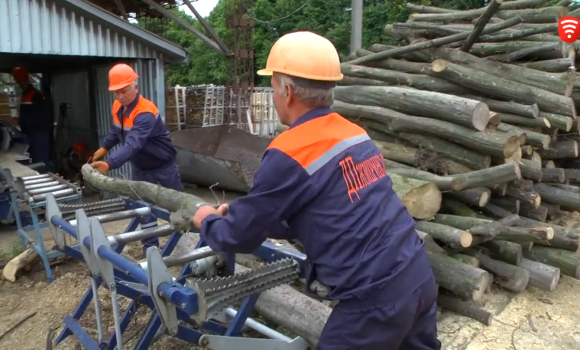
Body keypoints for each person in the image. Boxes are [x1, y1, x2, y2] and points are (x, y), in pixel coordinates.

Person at [189, 31, 440, 350]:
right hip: (418, 276)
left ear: (288, 90)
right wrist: (242, 214)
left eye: (273, 85)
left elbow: (240, 237)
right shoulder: (354, 134)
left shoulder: (289, 151)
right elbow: (328, 207)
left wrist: (208, 220)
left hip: (374, 301)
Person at [91, 63, 183, 256]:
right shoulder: (118, 106)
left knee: (178, 203)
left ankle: (186, 239)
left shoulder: (145, 112)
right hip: (140, 167)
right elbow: (116, 133)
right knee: (143, 208)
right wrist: (103, 148)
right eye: (116, 93)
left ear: (135, 87)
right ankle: (150, 246)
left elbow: (132, 145)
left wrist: (109, 163)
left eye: (123, 91)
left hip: (162, 164)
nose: (119, 97)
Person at [13, 67, 51, 165]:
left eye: (21, 81)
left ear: (26, 79)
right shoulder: (24, 95)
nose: (20, 84)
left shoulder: (36, 95)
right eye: (18, 82)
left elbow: (42, 117)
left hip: (39, 134)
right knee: (32, 161)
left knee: (40, 162)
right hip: (29, 134)